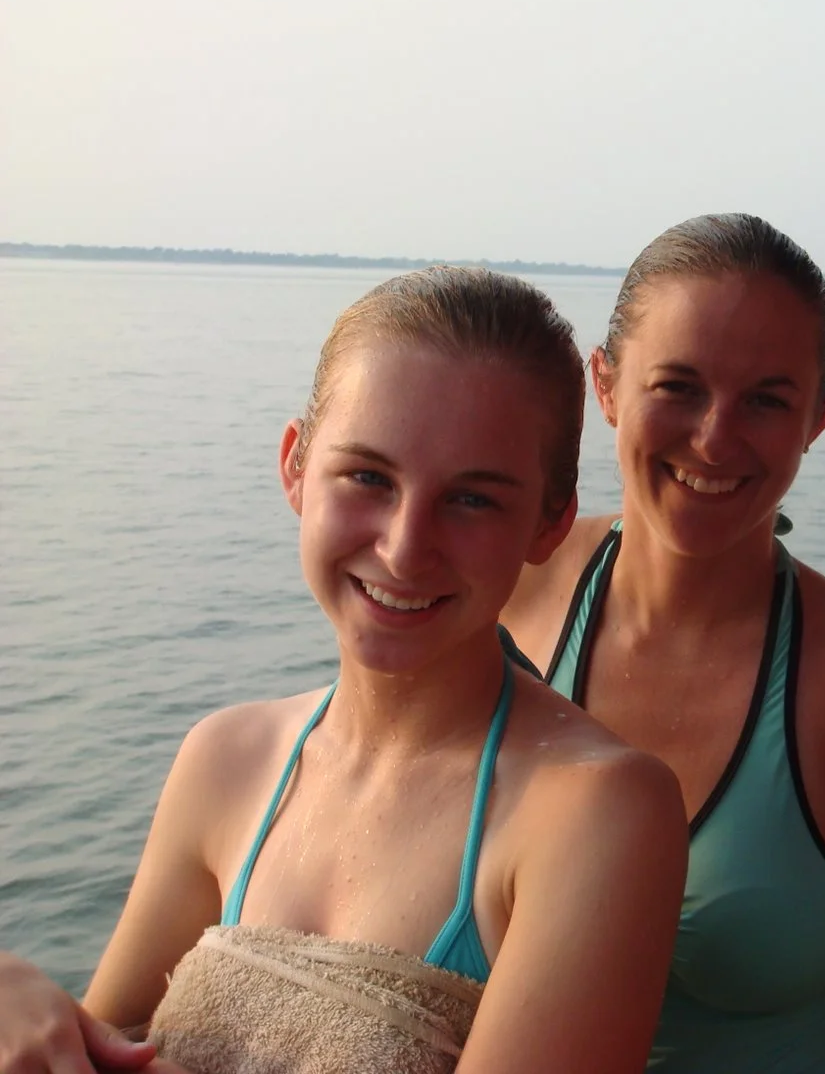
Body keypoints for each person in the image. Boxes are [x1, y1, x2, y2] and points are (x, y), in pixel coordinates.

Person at [0, 267, 688, 1074]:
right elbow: (96, 1044)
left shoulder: (599, 811)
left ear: (549, 522)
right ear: (296, 466)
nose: (404, 546)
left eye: (472, 500)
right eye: (368, 477)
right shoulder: (226, 759)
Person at [498, 213, 825, 1074]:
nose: (715, 438)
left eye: (767, 398)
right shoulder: (511, 584)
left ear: (820, 417)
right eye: (677, 387)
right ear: (604, 387)